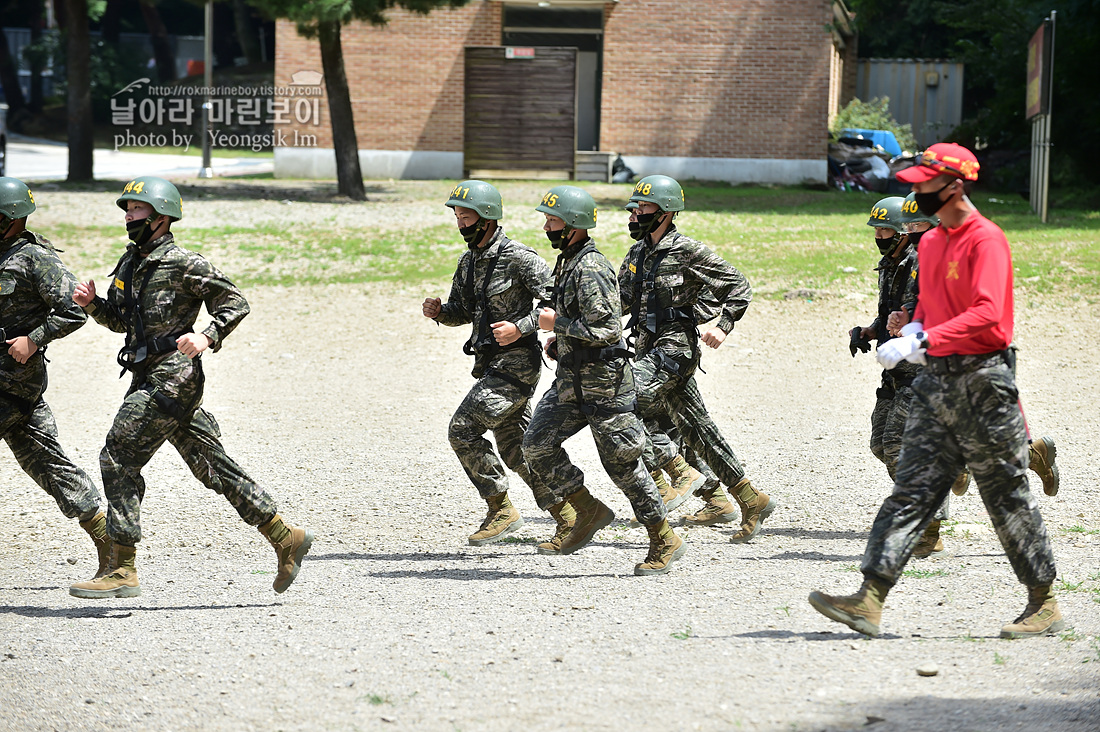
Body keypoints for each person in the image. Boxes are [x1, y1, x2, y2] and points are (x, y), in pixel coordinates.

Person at [810, 143, 1064, 639]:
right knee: (912, 487)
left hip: (984, 383)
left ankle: (1044, 602)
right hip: (937, 380)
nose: (915, 191)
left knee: (1006, 495)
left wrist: (925, 338)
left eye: (924, 183)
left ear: (955, 185)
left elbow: (989, 316)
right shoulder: (930, 243)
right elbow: (930, 307)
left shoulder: (984, 240)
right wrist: (912, 330)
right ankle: (870, 598)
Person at [68, 176, 312, 599]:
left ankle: (122, 566)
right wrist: (93, 306)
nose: (128, 217)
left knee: (117, 456)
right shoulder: (129, 263)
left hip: (175, 378)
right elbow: (125, 325)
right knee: (211, 466)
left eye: (137, 210)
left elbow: (235, 302)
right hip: (148, 374)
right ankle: (283, 535)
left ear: (161, 217)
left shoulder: (185, 262)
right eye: (127, 210)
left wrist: (207, 336)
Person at [521, 185, 685, 575]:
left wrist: (556, 324)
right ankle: (588, 510)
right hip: (571, 382)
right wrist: (561, 343)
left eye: (553, 219)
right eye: (547, 219)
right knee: (536, 444)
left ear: (574, 223)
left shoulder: (591, 267)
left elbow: (608, 330)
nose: (547, 226)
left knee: (623, 466)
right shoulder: (567, 261)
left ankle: (664, 537)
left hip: (606, 386)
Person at [619, 175, 775, 542]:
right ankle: (750, 499)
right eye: (637, 207)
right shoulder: (637, 254)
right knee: (698, 430)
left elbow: (737, 285)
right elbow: (618, 301)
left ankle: (672, 474)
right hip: (646, 348)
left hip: (674, 350)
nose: (638, 213)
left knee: (622, 399)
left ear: (667, 211)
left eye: (645, 207)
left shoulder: (687, 250)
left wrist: (722, 325)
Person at [889, 193, 1061, 500]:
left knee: (1000, 451)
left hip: (976, 357)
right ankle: (928, 526)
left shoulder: (973, 245)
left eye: (919, 224)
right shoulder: (925, 252)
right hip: (939, 361)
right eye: (909, 225)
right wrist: (909, 319)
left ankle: (1033, 455)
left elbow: (980, 308)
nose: (912, 232)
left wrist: (922, 335)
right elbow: (924, 300)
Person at [423, 180, 558, 546]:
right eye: (457, 216)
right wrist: (440, 313)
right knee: (517, 448)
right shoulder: (468, 262)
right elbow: (463, 311)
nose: (460, 224)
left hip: (517, 365)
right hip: (489, 364)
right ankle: (569, 509)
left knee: (462, 428)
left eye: (465, 216)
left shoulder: (520, 258)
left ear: (486, 218)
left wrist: (521, 327)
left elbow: (557, 304)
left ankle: (501, 509)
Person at [0, 177, 110, 580]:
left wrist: (33, 339)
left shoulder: (35, 259)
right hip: (13, 391)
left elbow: (72, 310)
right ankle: (112, 545)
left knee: (50, 466)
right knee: (50, 466)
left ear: (10, 217)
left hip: (14, 382)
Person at [850, 195, 953, 558]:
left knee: (897, 445)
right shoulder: (890, 263)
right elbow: (895, 313)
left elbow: (928, 314)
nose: (880, 235)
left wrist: (904, 324)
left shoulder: (919, 262)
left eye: (887, 229)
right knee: (881, 444)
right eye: (877, 229)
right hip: (895, 371)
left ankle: (930, 523)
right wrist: (869, 330)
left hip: (923, 369)